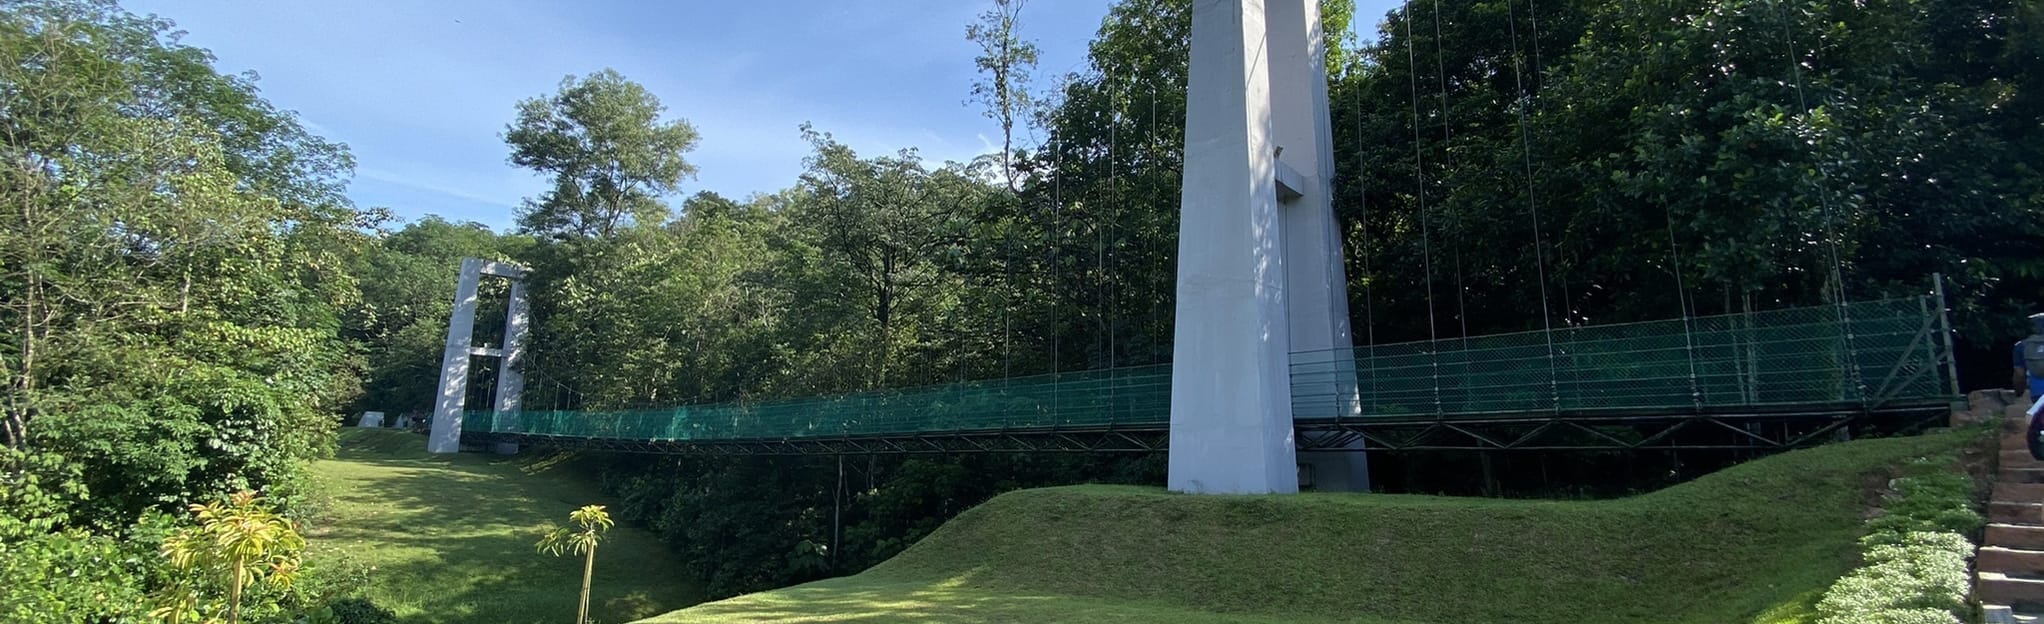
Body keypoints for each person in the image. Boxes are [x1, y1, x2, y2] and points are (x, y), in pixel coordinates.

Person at [2016, 313, 2044, 459]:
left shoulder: (2022, 346)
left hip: (2038, 392)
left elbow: (2019, 374)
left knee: (2037, 421)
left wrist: (2019, 392)